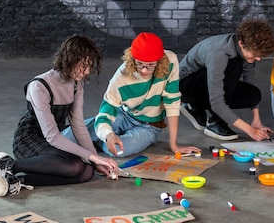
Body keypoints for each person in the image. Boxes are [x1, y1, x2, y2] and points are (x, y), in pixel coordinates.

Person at [0, 35, 120, 197]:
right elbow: (52, 136)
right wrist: (93, 157)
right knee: (75, 166)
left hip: (52, 141)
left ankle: (16, 180)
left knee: (87, 171)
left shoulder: (77, 84)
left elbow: (78, 125)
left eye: (89, 67)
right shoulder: (39, 86)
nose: (86, 72)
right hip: (29, 139)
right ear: (70, 59)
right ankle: (8, 164)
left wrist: (95, 160)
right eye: (83, 66)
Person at [64, 32, 201, 157]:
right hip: (124, 115)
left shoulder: (170, 61)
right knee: (66, 138)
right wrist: (109, 135)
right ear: (132, 59)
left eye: (150, 65)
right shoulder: (121, 77)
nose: (144, 71)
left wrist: (174, 146)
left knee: (118, 150)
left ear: (160, 61)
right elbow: (105, 114)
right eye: (139, 64)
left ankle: (94, 139)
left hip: (150, 126)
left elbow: (172, 103)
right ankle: (97, 135)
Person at [178, 19, 274, 141]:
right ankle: (215, 123)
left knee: (253, 94)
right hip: (185, 86)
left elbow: (250, 81)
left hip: (205, 85)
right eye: (254, 54)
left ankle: (194, 107)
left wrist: (256, 120)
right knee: (234, 66)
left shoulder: (244, 49)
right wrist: (249, 130)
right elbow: (217, 102)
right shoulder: (220, 52)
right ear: (241, 43)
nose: (258, 58)